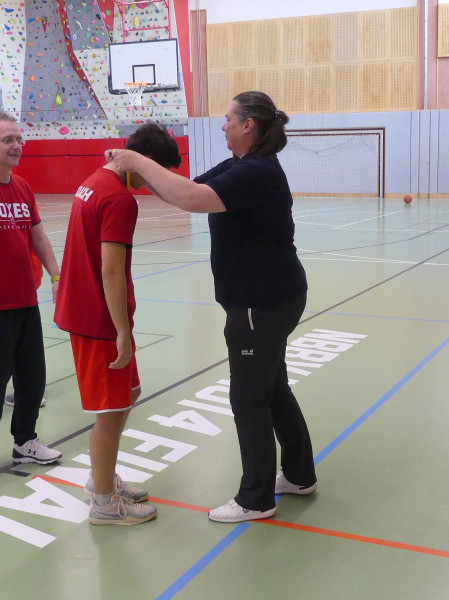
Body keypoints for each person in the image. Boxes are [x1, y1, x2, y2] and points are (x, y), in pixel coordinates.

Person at [106, 91, 317, 523]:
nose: (222, 125)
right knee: (273, 388)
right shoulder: (241, 165)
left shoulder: (255, 172)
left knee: (248, 399)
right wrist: (140, 173)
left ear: (248, 126)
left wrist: (136, 161)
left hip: (260, 304)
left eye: (227, 119)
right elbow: (185, 190)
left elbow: (191, 199)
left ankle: (256, 498)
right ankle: (299, 475)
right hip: (275, 297)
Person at [54, 123, 181, 526]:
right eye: (157, 171)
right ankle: (104, 504)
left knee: (129, 391)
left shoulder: (95, 181)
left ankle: (102, 478)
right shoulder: (120, 199)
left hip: (88, 310)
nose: (154, 181)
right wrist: (123, 331)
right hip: (98, 318)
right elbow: (111, 271)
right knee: (111, 409)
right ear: (144, 161)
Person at [0, 110, 62, 464]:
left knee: (32, 378)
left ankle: (25, 441)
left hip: (25, 301)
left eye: (18, 139)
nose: (16, 146)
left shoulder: (22, 187)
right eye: (7, 140)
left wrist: (55, 276)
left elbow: (37, 235)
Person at [5, 251, 47, 408]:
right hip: (25, 276)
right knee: (22, 342)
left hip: (17, 280)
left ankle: (27, 393)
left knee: (15, 341)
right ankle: (29, 392)